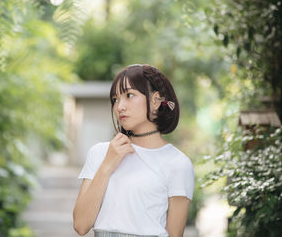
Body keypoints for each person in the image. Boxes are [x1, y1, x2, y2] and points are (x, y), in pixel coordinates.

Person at [73, 64, 194, 237]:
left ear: (155, 100)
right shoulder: (100, 153)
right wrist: (107, 165)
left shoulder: (177, 164)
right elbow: (80, 225)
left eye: (129, 95)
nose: (120, 106)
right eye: (115, 99)